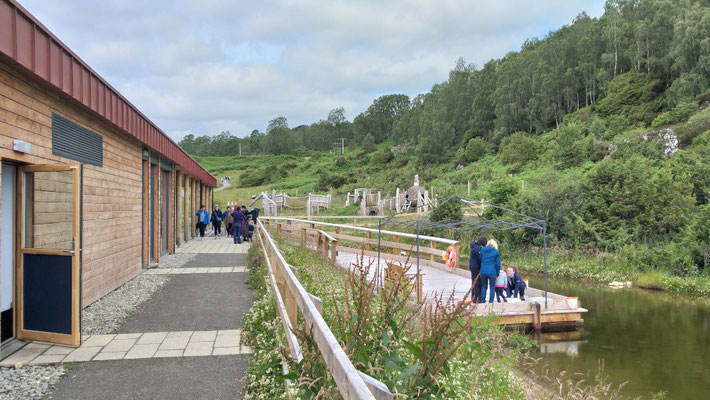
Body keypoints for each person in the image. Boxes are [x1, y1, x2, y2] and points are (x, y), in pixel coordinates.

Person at [479, 239, 500, 304]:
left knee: (484, 286)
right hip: (492, 271)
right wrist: (497, 274)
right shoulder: (496, 252)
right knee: (492, 287)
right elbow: (497, 264)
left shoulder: (482, 250)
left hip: (483, 271)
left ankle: (482, 301)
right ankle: (491, 302)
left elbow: (480, 258)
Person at [468, 236, 487, 302]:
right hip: (476, 268)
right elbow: (480, 259)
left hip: (472, 266)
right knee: (477, 282)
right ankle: (476, 298)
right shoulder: (478, 249)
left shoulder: (474, 246)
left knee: (474, 281)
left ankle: (474, 297)